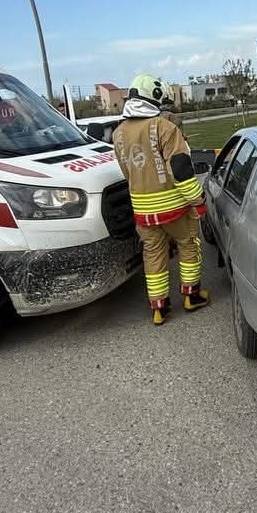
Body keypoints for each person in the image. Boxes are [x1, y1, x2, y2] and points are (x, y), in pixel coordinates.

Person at [112, 74, 210, 326]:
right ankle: (192, 295)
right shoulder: (164, 127)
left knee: (153, 255)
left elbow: (128, 172)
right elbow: (181, 170)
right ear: (155, 98)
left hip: (143, 211)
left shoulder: (119, 133)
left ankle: (159, 308)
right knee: (189, 246)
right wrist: (198, 200)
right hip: (174, 208)